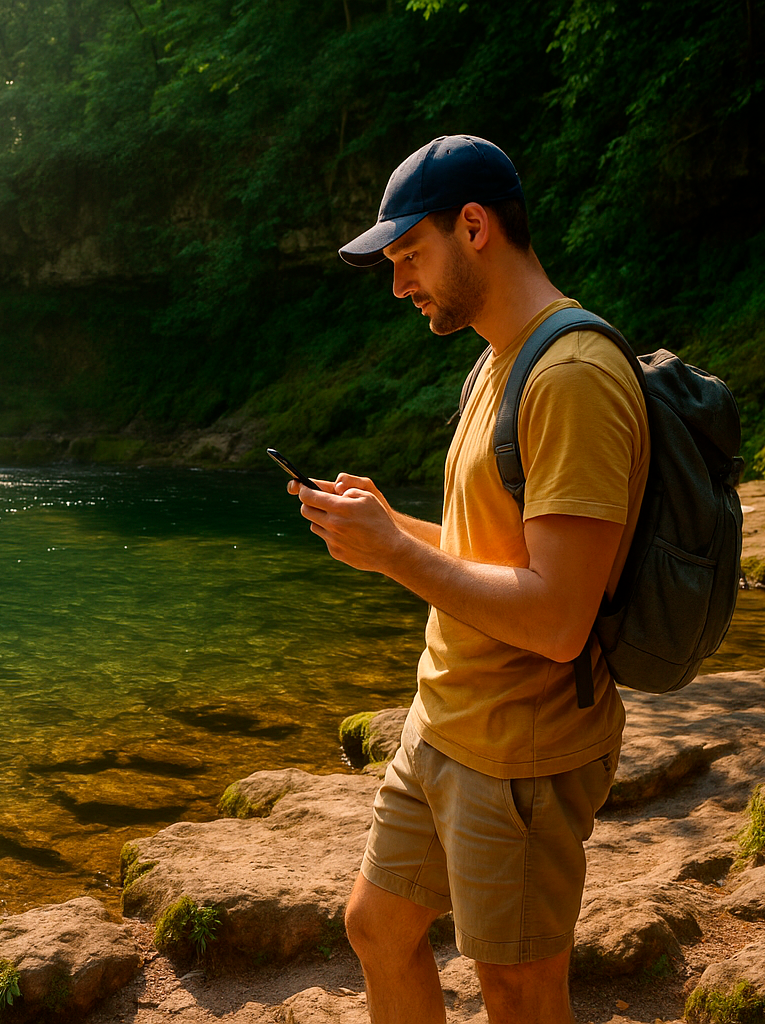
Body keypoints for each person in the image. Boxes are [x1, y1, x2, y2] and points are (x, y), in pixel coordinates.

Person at [293, 135, 649, 1024]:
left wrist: (399, 556)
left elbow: (561, 618)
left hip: (522, 751)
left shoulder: (569, 378)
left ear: (476, 227)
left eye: (410, 255)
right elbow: (487, 547)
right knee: (377, 928)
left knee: (519, 990)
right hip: (446, 725)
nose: (399, 281)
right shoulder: (498, 361)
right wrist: (386, 526)